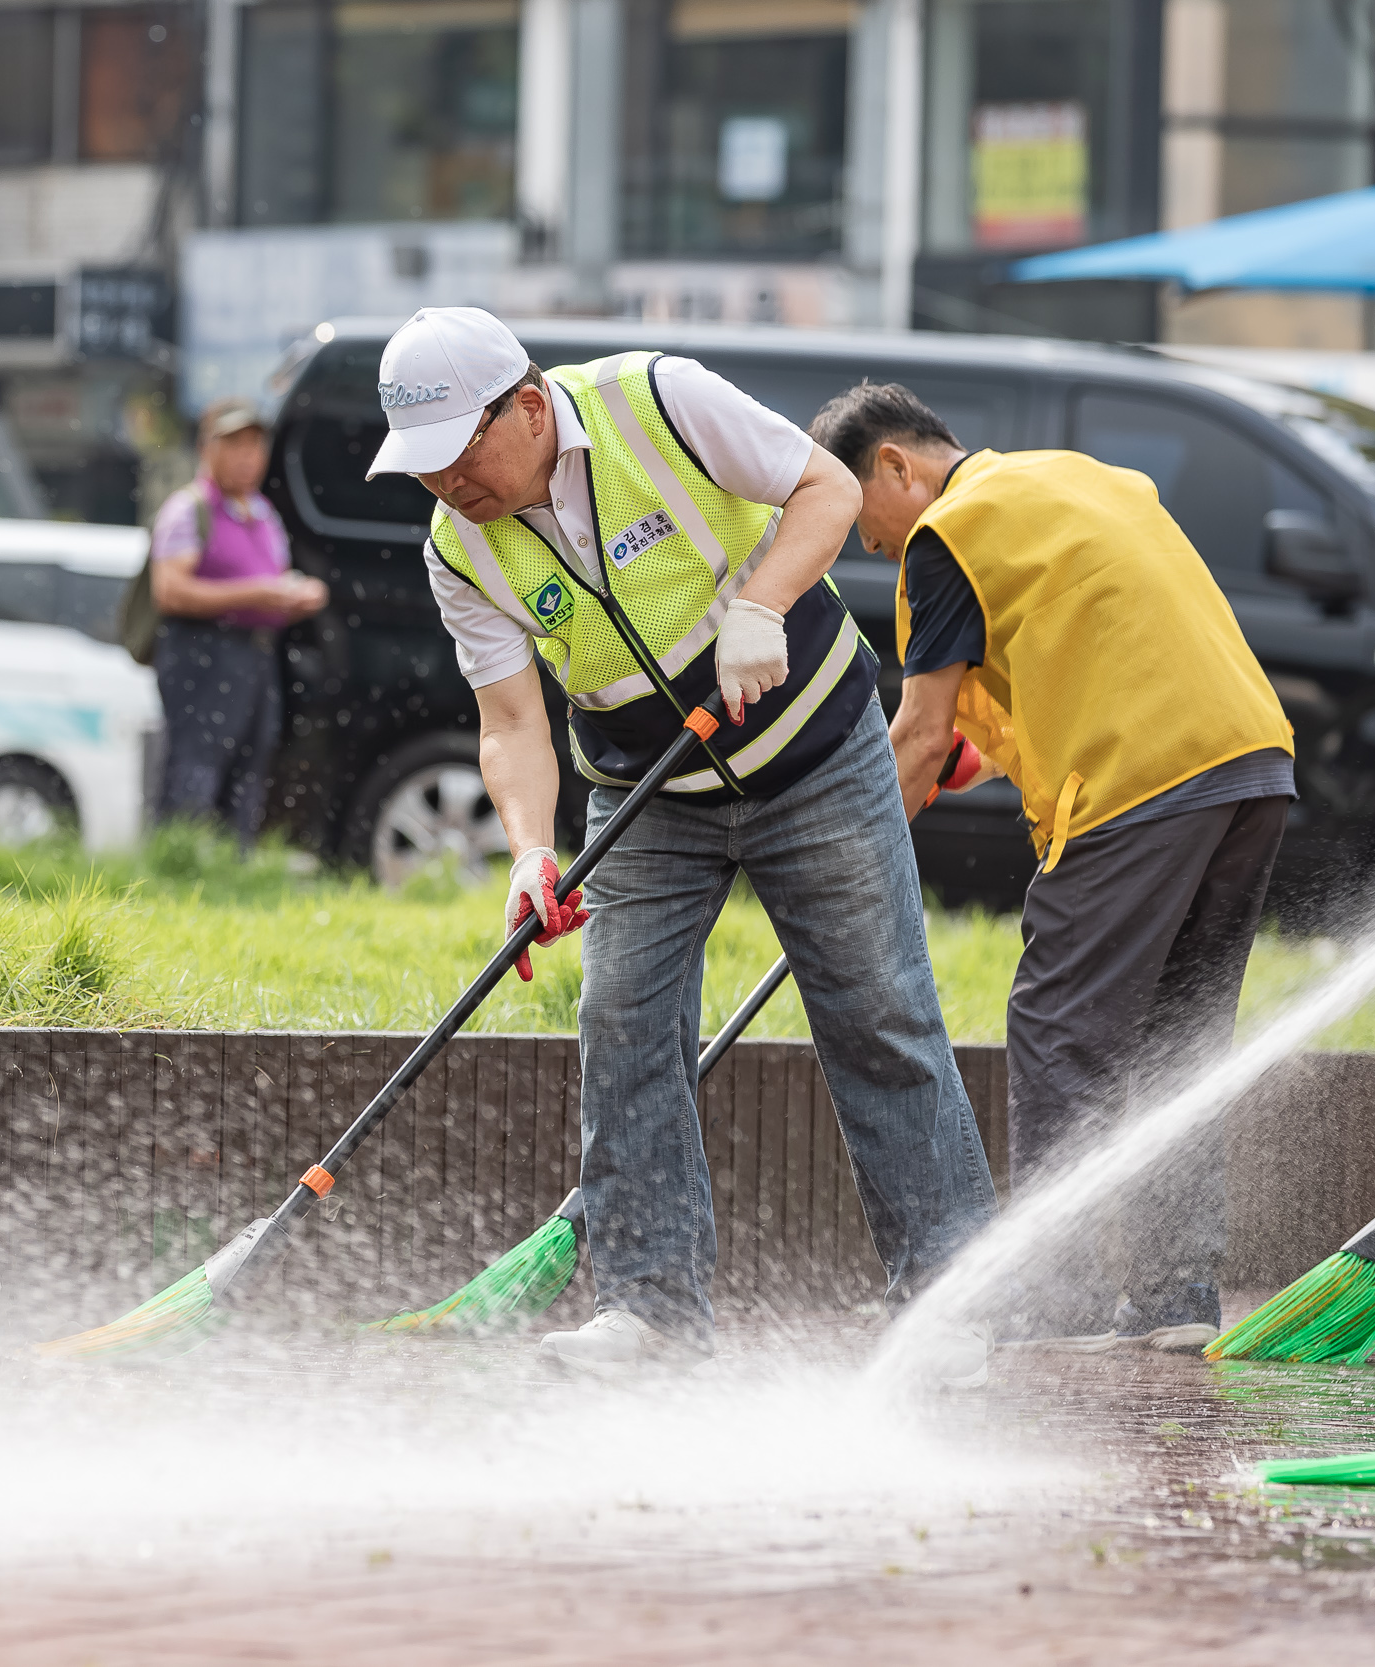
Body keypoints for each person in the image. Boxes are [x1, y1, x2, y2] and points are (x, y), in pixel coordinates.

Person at [368, 307, 997, 1376]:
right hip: (644, 794)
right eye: (420, 467)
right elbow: (512, 724)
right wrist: (529, 849)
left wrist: (760, 603)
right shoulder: (456, 548)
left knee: (879, 1017)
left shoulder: (654, 399)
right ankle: (652, 1311)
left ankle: (952, 1310)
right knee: (621, 1024)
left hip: (815, 756)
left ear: (525, 407)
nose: (445, 484)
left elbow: (828, 488)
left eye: (457, 453)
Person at [811, 382, 1295, 1355]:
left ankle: (1056, 1296)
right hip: (1250, 763)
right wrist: (976, 752)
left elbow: (915, 733)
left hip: (1137, 778)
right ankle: (1173, 1295)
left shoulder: (948, 531)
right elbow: (1089, 640)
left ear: (895, 467)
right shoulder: (1073, 480)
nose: (875, 551)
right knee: (1177, 1037)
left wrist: (837, 863)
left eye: (867, 528)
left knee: (1058, 1030)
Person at [148, 398, 328, 847]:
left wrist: (295, 597)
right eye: (233, 445)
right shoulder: (188, 510)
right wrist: (256, 594)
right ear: (207, 448)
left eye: (254, 445)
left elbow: (275, 578)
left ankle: (230, 874)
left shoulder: (263, 514)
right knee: (195, 766)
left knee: (249, 764)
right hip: (201, 653)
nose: (246, 456)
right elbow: (169, 591)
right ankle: (180, 865)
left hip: (256, 654)